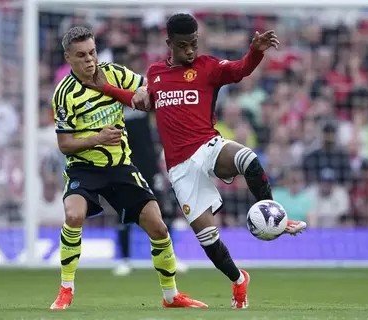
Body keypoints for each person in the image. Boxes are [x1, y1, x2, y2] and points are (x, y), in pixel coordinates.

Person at [85, 13, 306, 309]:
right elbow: (142, 103)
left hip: (208, 145)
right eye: (183, 45)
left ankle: (275, 213)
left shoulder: (208, 67)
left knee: (248, 159)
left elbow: (240, 70)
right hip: (180, 167)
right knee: (207, 239)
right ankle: (239, 279)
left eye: (194, 44)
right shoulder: (155, 74)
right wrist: (107, 89)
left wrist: (255, 51)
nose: (190, 50)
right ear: (169, 44)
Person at [49, 26, 206, 310]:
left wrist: (144, 93)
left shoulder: (114, 73)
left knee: (158, 226)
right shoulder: (64, 94)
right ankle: (65, 290)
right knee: (73, 215)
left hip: (121, 165)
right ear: (68, 58)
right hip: (84, 168)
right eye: (81, 55)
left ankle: (171, 296)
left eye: (93, 52)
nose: (89, 60)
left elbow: (147, 88)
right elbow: (65, 144)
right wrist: (98, 138)